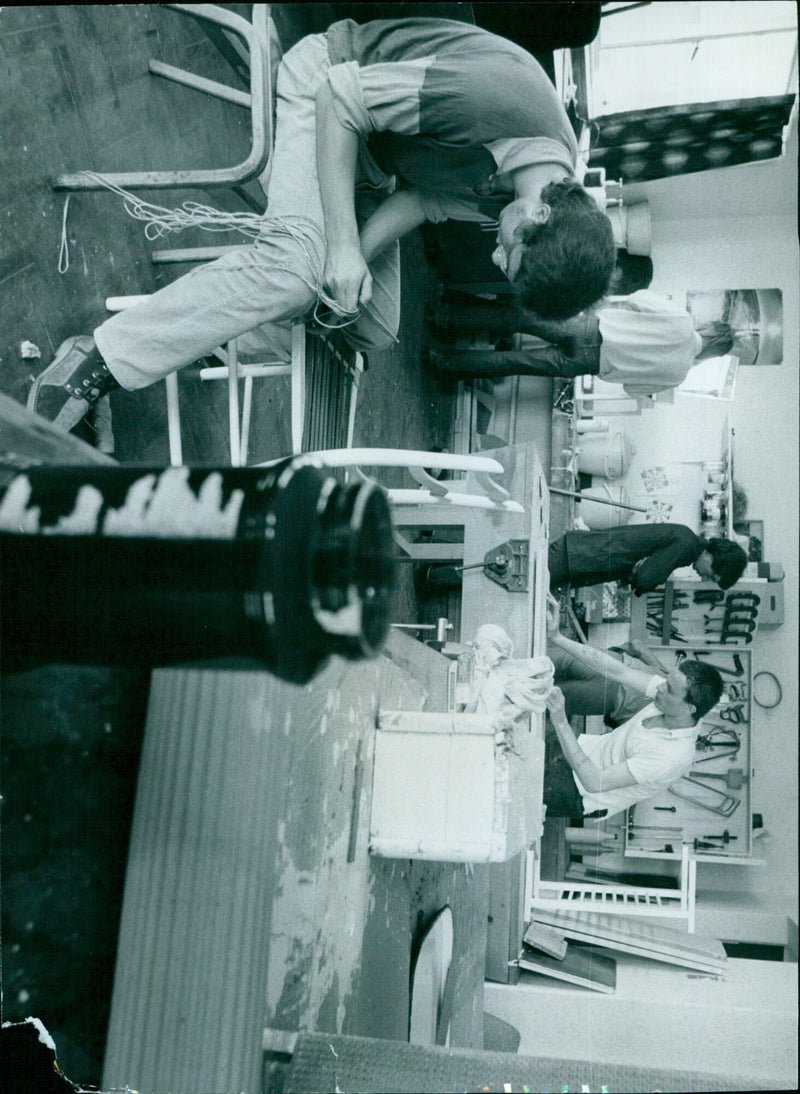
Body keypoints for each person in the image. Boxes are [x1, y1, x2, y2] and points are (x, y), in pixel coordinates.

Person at [29, 16, 617, 434]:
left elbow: (426, 201)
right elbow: (340, 97)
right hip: (326, 85)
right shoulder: (499, 102)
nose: (495, 258)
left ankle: (199, 335)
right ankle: (97, 357)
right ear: (541, 215)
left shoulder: (531, 190)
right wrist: (337, 248)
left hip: (369, 160)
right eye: (509, 256)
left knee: (372, 325)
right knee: (295, 274)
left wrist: (353, 257)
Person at [542, 596, 724, 820]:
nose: (660, 689)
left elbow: (593, 781)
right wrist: (558, 638)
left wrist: (561, 721)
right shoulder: (667, 697)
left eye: (670, 690)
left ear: (689, 709)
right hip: (581, 749)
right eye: (665, 683)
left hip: (578, 792)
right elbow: (617, 671)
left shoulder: (672, 755)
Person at [426, 288, 734, 397]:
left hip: (590, 329)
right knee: (514, 362)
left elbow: (640, 298)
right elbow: (631, 389)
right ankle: (443, 361)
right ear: (713, 354)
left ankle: (443, 317)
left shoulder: (682, 320)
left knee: (516, 318)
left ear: (708, 328)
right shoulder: (679, 375)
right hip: (588, 363)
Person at [548, 523, 748, 595]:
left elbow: (644, 575)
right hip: (578, 556)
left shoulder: (687, 547)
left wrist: (641, 574)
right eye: (712, 576)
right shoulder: (686, 544)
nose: (705, 578)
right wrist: (641, 576)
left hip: (581, 560)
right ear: (713, 556)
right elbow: (645, 578)